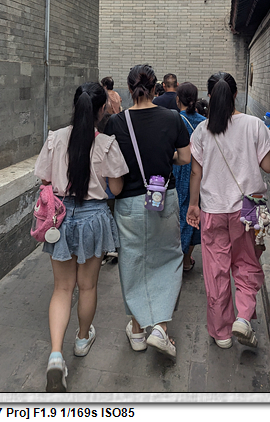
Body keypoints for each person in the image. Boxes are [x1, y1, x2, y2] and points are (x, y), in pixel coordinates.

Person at [34, 82, 129, 392]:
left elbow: (45, 178)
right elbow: (116, 188)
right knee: (87, 286)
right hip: (94, 218)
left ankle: (55, 356)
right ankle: (82, 339)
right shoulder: (106, 144)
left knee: (62, 288)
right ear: (101, 109)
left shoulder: (55, 138)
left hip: (60, 218)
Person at [104, 64, 191, 358]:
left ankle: (138, 330)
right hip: (163, 197)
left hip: (128, 203)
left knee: (133, 263)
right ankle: (161, 328)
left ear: (129, 89)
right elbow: (185, 157)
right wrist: (167, 158)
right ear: (156, 88)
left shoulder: (115, 123)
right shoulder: (172, 118)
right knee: (168, 259)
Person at [186, 72, 270, 349]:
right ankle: (244, 317)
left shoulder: (202, 130)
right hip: (247, 209)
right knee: (247, 264)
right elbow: (268, 166)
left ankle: (222, 332)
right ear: (235, 94)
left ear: (210, 96)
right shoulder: (254, 125)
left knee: (216, 271)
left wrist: (193, 205)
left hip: (213, 209)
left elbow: (195, 173)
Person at [171, 82, 205, 272]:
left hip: (178, 168)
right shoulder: (204, 122)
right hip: (200, 172)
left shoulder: (174, 120)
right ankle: (186, 259)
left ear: (178, 100)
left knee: (176, 213)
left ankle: (175, 258)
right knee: (193, 211)